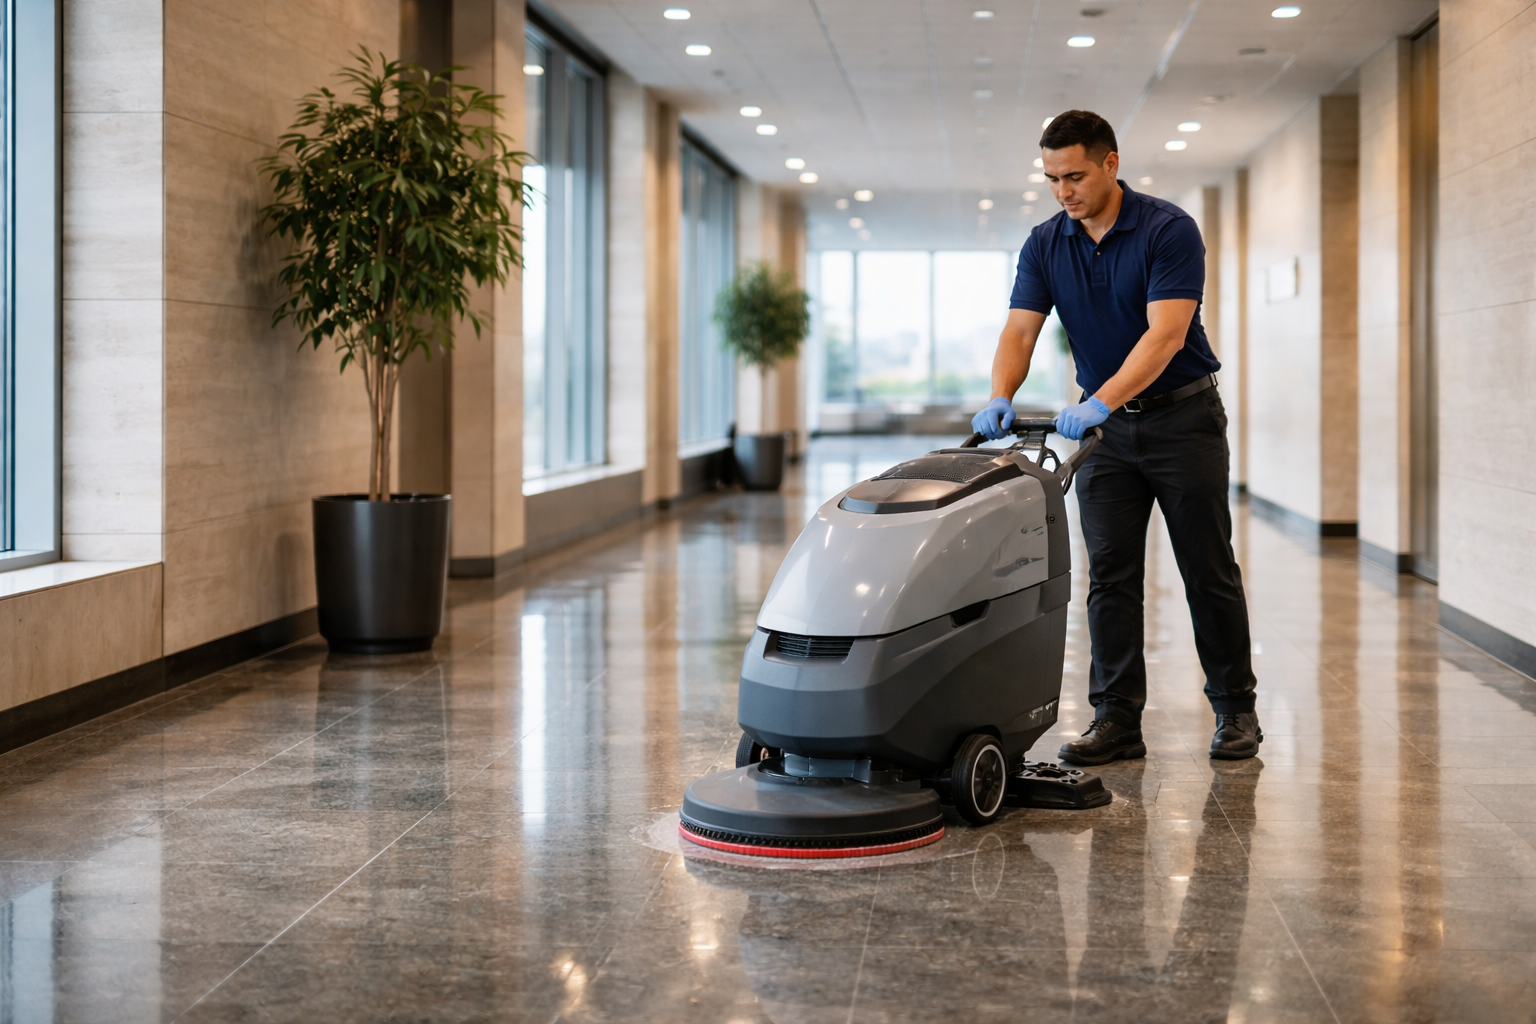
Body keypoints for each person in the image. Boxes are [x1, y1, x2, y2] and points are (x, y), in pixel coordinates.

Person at [972, 109, 1261, 764]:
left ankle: (1236, 710)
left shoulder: (1167, 230)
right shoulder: (1046, 243)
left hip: (1182, 420)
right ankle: (1117, 719)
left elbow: (1165, 335)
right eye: (1051, 178)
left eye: (1073, 175)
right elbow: (1021, 330)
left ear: (1111, 163)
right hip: (1107, 438)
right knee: (1110, 576)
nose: (1063, 191)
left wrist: (1100, 399)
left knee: (1207, 569)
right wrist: (1000, 393)